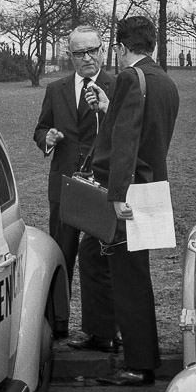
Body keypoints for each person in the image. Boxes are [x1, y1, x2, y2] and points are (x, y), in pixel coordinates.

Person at [87, 16, 179, 386]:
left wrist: (115, 194)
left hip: (130, 192)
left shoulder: (130, 78)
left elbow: (125, 141)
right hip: (152, 187)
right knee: (99, 256)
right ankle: (106, 336)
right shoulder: (166, 82)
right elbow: (142, 132)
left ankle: (140, 365)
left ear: (122, 48)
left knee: (130, 279)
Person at [33, 25, 117, 347]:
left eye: (93, 50)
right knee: (62, 253)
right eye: (80, 53)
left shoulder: (116, 86)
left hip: (102, 187)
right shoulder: (56, 90)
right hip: (65, 186)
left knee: (99, 260)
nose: (87, 58)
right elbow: (40, 128)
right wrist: (48, 139)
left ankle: (101, 331)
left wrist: (108, 110)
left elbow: (126, 130)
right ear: (70, 56)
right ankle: (59, 323)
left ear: (102, 49)